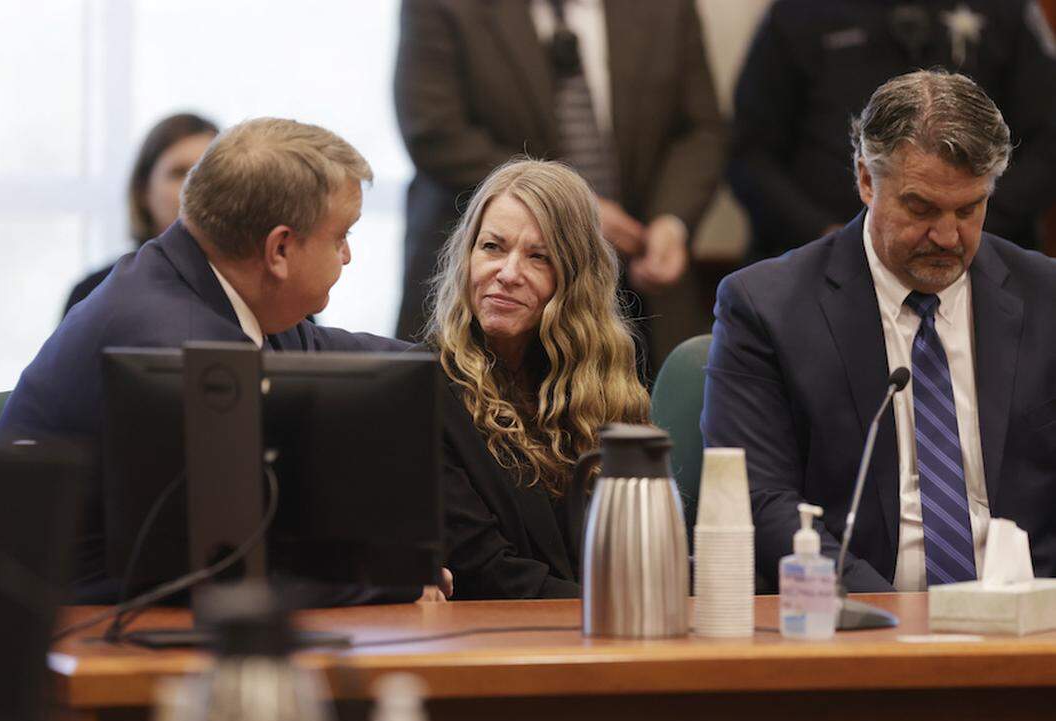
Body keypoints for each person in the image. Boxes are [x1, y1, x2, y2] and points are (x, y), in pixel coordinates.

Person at [0, 118, 439, 603]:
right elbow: (222, 571)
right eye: (340, 237)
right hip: (63, 627)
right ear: (280, 249)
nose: (348, 256)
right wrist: (390, 582)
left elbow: (322, 352)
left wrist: (457, 362)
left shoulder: (204, 279)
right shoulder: (180, 346)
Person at [703, 70, 1056, 593]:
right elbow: (761, 501)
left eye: (969, 209)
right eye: (921, 208)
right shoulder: (767, 310)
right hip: (861, 623)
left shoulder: (1046, 297)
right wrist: (889, 622)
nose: (947, 235)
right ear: (866, 179)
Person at [394, 0, 726, 374]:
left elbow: (700, 132)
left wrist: (671, 221)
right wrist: (575, 211)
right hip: (485, 308)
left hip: (640, 289)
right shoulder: (443, 6)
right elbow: (434, 132)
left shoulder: (667, 9)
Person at [425, 159, 651, 599]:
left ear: (574, 279)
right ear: (467, 255)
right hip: (500, 641)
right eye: (492, 247)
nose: (508, 274)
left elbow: (637, 547)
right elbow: (488, 573)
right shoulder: (428, 390)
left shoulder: (604, 387)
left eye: (538, 256)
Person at [729, 0, 1056, 261]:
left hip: (981, 254)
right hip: (819, 258)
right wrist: (827, 235)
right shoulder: (797, 13)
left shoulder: (1007, 10)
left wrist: (964, 222)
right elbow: (749, 154)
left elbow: (1047, 144)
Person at [64, 113, 219, 315]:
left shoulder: (252, 290)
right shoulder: (94, 293)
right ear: (143, 191)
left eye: (207, 173)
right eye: (179, 173)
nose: (195, 187)